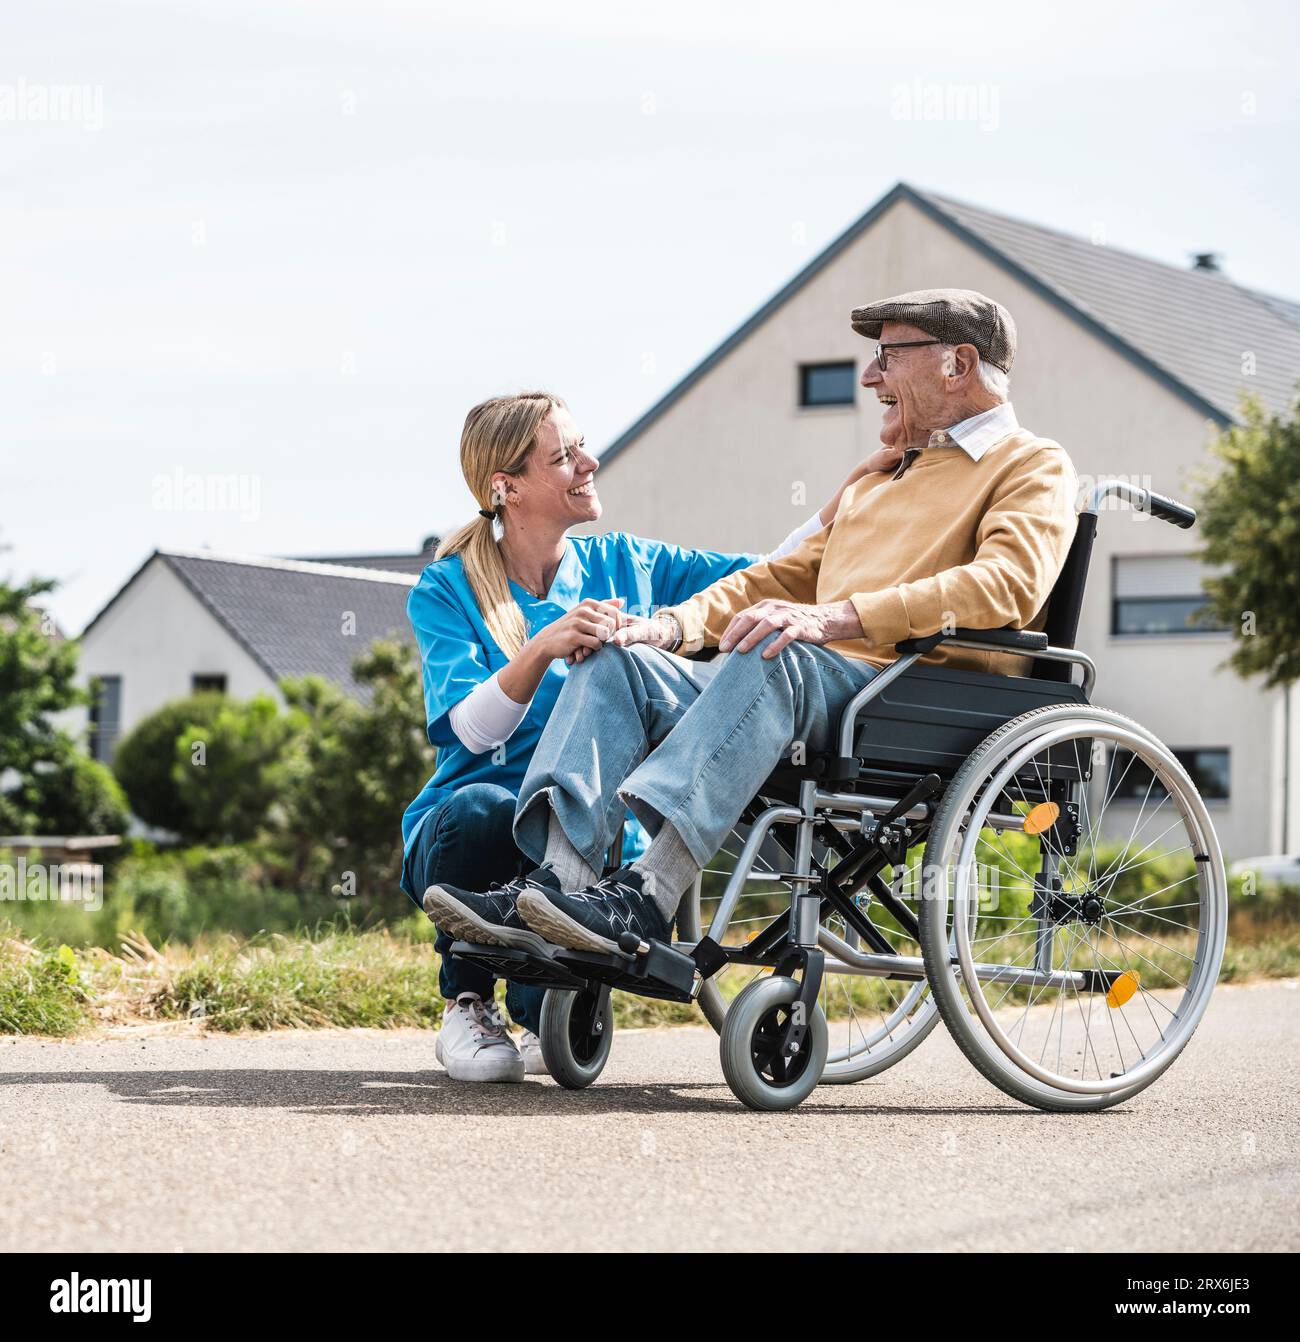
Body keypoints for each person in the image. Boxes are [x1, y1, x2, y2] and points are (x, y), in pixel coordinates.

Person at [422, 289, 1080, 961]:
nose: (869, 376)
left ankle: (648, 895)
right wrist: (668, 628)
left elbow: (1008, 583)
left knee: (777, 644)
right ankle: (557, 886)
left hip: (912, 697)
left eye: (888, 355)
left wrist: (834, 617)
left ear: (958, 364)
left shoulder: (1033, 464)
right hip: (812, 689)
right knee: (615, 657)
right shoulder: (884, 480)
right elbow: (778, 577)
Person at [405, 389, 894, 1082]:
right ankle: (467, 1001)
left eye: (582, 447)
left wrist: (838, 504)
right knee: (480, 811)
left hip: (599, 835)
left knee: (547, 975)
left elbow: (757, 575)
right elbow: (470, 731)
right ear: (505, 486)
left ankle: (554, 979)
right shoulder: (447, 588)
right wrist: (540, 649)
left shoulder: (625, 560)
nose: (589, 462)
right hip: (480, 826)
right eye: (565, 456)